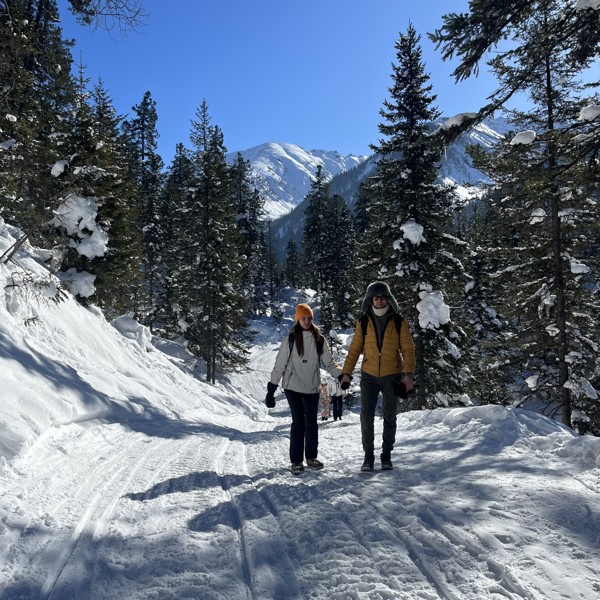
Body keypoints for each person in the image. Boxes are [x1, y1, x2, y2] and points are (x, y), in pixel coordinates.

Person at [340, 281, 415, 472]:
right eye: (376, 297)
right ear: (370, 299)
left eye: (382, 297)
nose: (379, 300)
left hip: (392, 375)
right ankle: (368, 457)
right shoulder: (363, 321)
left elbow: (408, 350)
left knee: (390, 417)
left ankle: (386, 456)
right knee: (366, 417)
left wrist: (408, 375)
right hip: (369, 376)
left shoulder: (399, 321)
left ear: (388, 299)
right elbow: (355, 349)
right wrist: (346, 374)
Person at [267, 303, 343, 475]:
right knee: (299, 422)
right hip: (292, 386)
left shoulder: (319, 339)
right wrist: (271, 389)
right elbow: (280, 365)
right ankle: (296, 461)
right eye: (303, 318)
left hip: (311, 386)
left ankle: (311, 457)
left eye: (309, 318)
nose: (307, 321)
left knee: (312, 423)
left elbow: (329, 363)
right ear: (298, 319)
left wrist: (341, 375)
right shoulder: (291, 339)